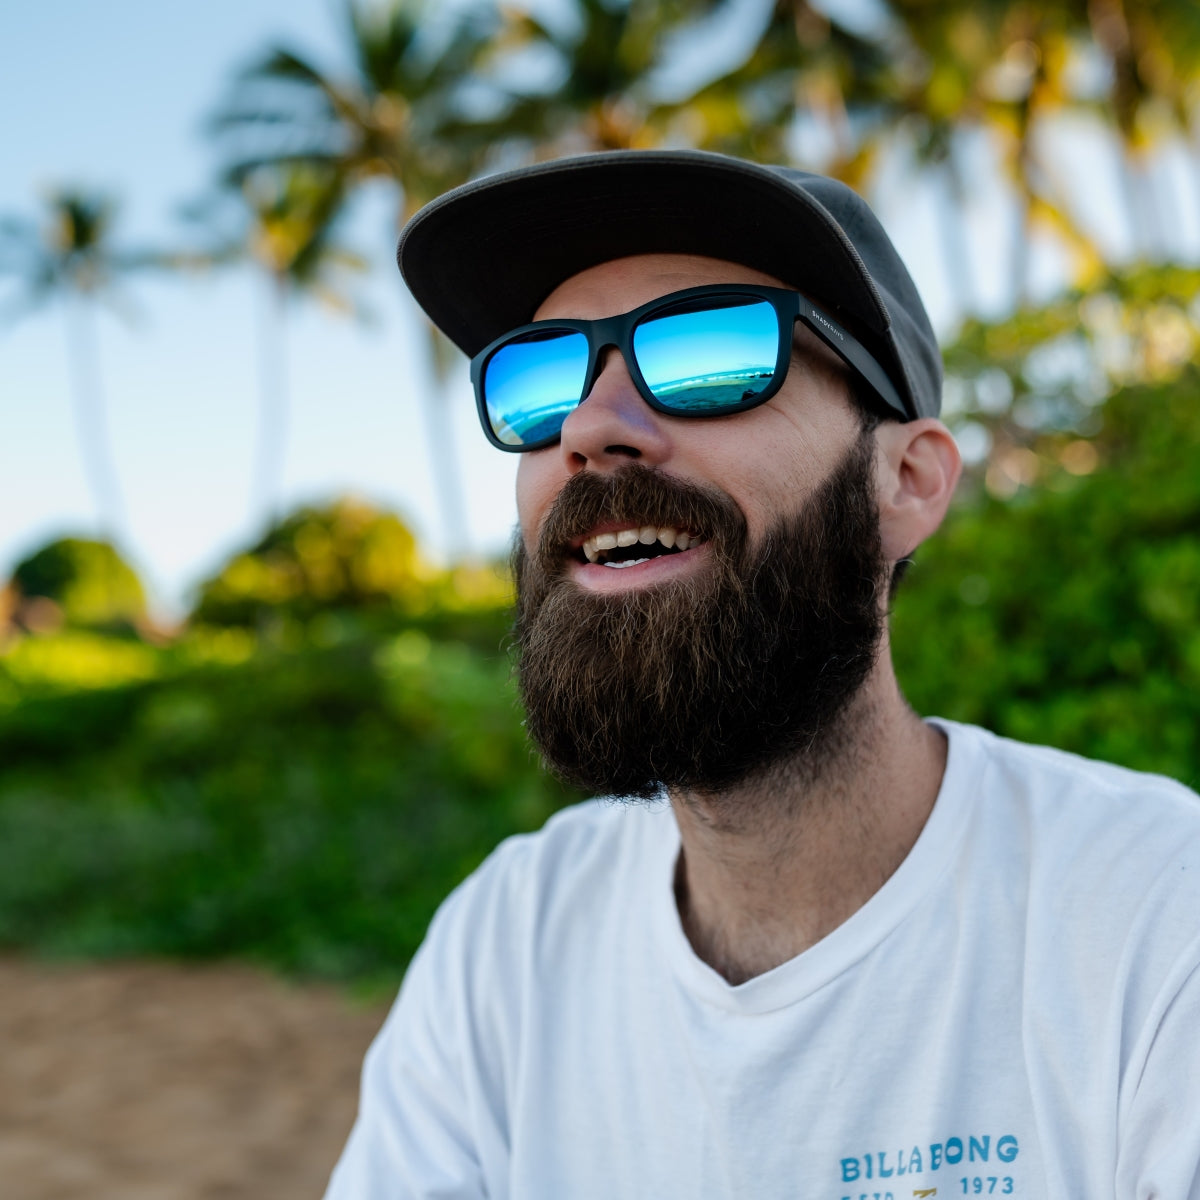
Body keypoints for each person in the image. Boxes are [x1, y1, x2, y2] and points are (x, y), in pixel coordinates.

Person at [325, 150, 1200, 1199]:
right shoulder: (505, 944)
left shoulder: (1157, 925)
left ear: (908, 481)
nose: (589, 429)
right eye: (540, 380)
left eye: (713, 351)